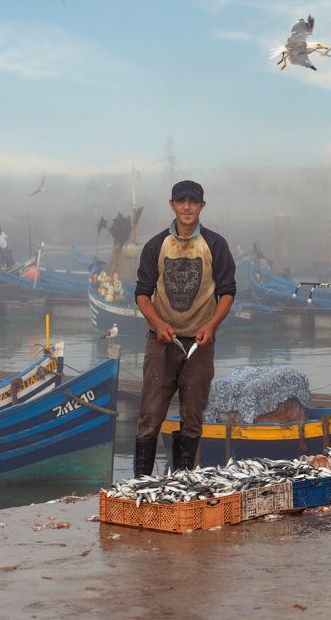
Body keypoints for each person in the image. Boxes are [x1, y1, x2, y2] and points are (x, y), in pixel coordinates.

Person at [132, 180, 236, 476]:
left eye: (193, 201)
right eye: (181, 201)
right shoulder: (156, 245)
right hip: (161, 343)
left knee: (192, 417)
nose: (187, 206)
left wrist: (212, 326)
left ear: (202, 205)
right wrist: (158, 324)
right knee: (150, 415)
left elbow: (227, 291)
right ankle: (141, 483)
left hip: (199, 345)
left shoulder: (215, 245)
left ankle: (184, 480)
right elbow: (142, 294)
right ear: (172, 205)